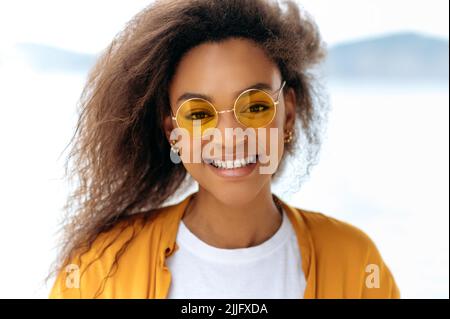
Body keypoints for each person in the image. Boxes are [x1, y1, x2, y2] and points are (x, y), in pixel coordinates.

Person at [48, 0, 400, 299]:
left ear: (288, 114)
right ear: (173, 132)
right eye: (199, 114)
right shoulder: (97, 272)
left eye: (256, 106)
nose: (230, 136)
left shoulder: (357, 264)